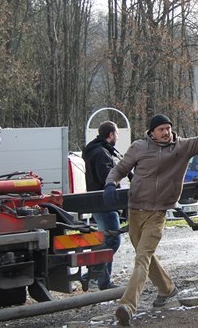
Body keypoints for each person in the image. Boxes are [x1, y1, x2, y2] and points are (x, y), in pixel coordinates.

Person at [104, 113, 198, 326]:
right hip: (135, 210)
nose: (166, 132)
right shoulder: (139, 147)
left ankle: (127, 306)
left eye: (168, 128)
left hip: (158, 213)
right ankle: (167, 289)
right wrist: (110, 182)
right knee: (146, 255)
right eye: (161, 129)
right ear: (151, 132)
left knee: (142, 258)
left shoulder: (182, 148)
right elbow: (120, 168)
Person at [82, 120, 121, 290]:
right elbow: (107, 179)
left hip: (97, 204)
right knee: (113, 240)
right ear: (111, 135)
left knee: (106, 240)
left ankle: (102, 280)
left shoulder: (94, 150)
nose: (117, 136)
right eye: (116, 133)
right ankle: (93, 275)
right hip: (105, 204)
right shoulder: (102, 153)